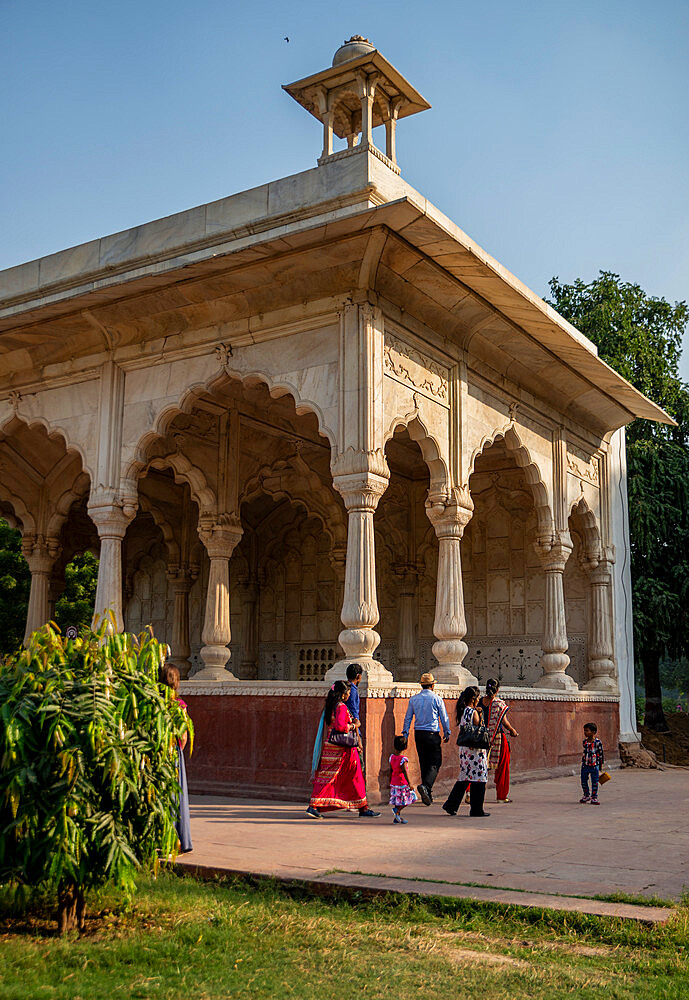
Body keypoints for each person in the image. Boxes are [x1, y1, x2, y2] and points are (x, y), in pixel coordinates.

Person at [307, 680, 380, 819]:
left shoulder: (331, 706)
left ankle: (360, 806)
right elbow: (341, 727)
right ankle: (362, 807)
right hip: (343, 750)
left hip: (332, 747)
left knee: (328, 777)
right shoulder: (341, 707)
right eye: (347, 692)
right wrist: (354, 725)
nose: (348, 694)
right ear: (342, 694)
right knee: (355, 776)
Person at [402, 672, 451, 805]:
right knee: (435, 762)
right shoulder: (436, 699)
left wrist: (405, 733)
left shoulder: (414, 699)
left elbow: (408, 718)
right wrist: (447, 732)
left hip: (419, 733)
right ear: (433, 685)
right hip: (432, 734)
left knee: (424, 763)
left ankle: (427, 793)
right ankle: (426, 787)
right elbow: (444, 717)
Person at [159, 664, 193, 853]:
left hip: (158, 752)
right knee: (176, 797)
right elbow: (185, 736)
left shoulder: (156, 704)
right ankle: (177, 839)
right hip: (174, 754)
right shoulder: (179, 706)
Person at [442, 685, 490, 818]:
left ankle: (451, 804)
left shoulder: (463, 711)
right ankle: (476, 809)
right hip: (475, 750)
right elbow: (479, 727)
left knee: (465, 776)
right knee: (479, 778)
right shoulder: (473, 712)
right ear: (474, 699)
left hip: (465, 749)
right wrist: (480, 715)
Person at [480, 677, 518, 803]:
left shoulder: (480, 702)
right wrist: (512, 730)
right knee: (502, 767)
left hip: (480, 738)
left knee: (477, 766)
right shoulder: (499, 703)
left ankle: (469, 793)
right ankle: (501, 796)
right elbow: (504, 721)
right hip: (497, 737)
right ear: (497, 690)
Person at [389, 734, 417, 824]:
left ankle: (397, 817)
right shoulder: (403, 759)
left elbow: (391, 770)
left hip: (394, 782)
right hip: (402, 782)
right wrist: (410, 783)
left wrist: (390, 780)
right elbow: (405, 772)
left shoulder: (392, 757)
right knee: (409, 798)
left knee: (397, 799)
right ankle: (396, 810)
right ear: (405, 747)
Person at [580, 722, 605, 805]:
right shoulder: (585, 742)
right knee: (583, 780)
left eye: (587, 731)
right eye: (584, 731)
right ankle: (586, 795)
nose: (585, 732)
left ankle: (594, 797)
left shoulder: (598, 742)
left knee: (595, 782)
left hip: (594, 765)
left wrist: (600, 766)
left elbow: (601, 754)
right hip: (585, 764)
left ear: (593, 732)